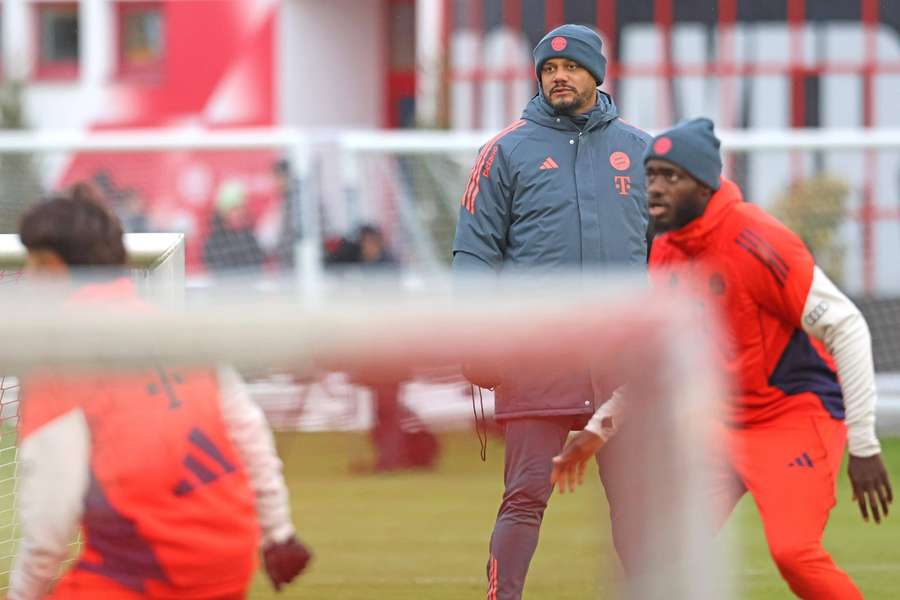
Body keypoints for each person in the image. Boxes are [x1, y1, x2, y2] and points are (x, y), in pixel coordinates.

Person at [552, 118, 893, 599]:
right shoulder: (665, 252)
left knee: (794, 554)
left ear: (706, 183)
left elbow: (847, 326)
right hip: (720, 426)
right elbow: (656, 361)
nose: (656, 187)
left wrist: (864, 444)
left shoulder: (759, 241)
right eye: (652, 175)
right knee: (651, 550)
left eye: (672, 177)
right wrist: (598, 429)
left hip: (792, 418)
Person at [11, 185, 312, 599]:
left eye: (32, 265)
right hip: (229, 557)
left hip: (148, 568)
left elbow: (50, 524)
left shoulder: (59, 357)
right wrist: (278, 532)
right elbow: (249, 430)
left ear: (53, 268)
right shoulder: (180, 334)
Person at [451, 24, 651, 600]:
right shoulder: (504, 151)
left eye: (570, 67)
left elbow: (667, 255)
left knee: (637, 503)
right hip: (537, 358)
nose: (558, 77)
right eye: (548, 69)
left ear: (597, 74)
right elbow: (474, 251)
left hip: (621, 365)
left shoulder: (640, 150)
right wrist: (476, 339)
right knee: (525, 496)